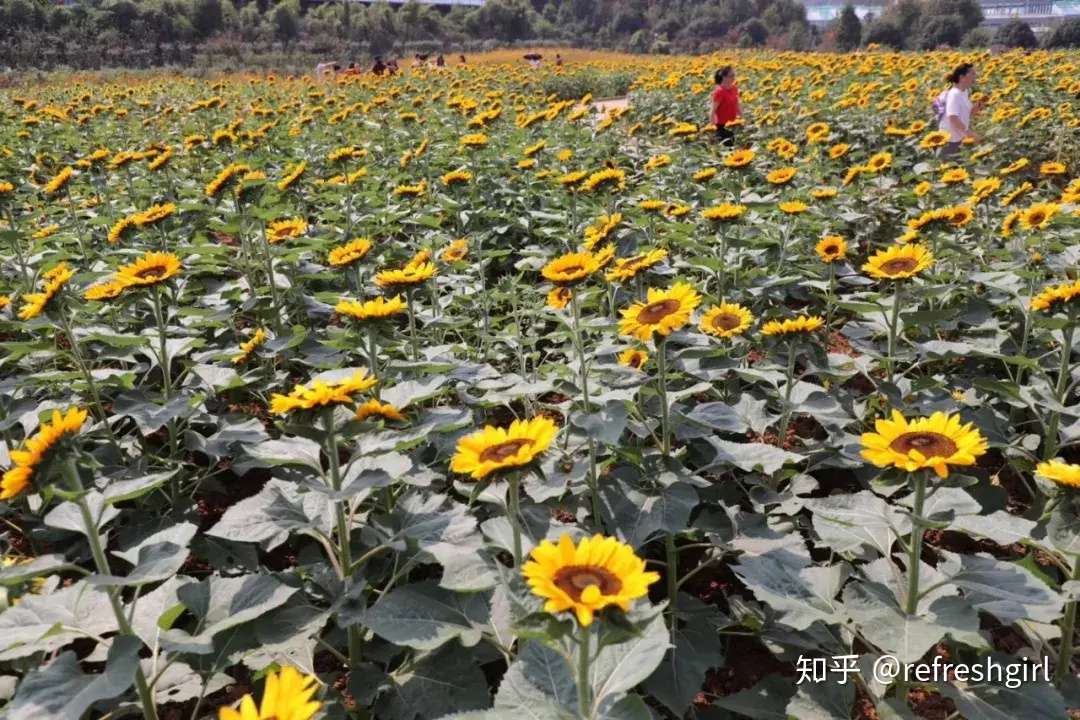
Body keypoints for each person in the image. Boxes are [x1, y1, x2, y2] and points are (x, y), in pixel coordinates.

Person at [937, 63, 984, 158]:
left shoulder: (964, 92)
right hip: (950, 141)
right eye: (972, 74)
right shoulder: (954, 94)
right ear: (962, 77)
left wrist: (977, 108)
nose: (975, 76)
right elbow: (953, 118)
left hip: (960, 139)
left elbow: (966, 115)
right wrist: (969, 133)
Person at [711, 66, 740, 146]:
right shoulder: (719, 92)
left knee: (737, 145)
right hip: (722, 126)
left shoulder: (734, 88)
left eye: (734, 75)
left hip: (734, 123)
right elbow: (713, 110)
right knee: (728, 149)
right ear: (724, 77)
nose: (734, 78)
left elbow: (737, 104)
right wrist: (712, 128)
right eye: (731, 76)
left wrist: (741, 116)